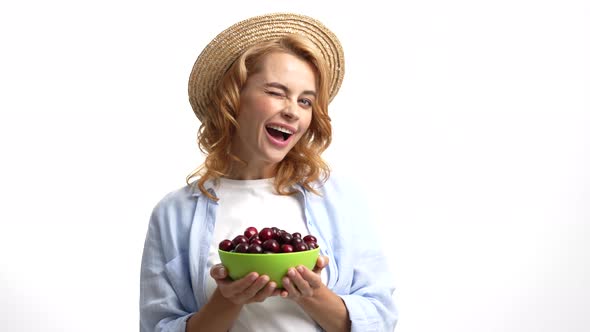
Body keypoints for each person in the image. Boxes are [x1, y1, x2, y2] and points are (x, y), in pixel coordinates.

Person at [140, 12, 398, 332]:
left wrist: (312, 294)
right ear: (233, 98)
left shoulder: (341, 199)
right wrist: (228, 299)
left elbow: (381, 318)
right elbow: (157, 327)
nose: (292, 111)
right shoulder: (173, 214)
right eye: (276, 92)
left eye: (305, 101)